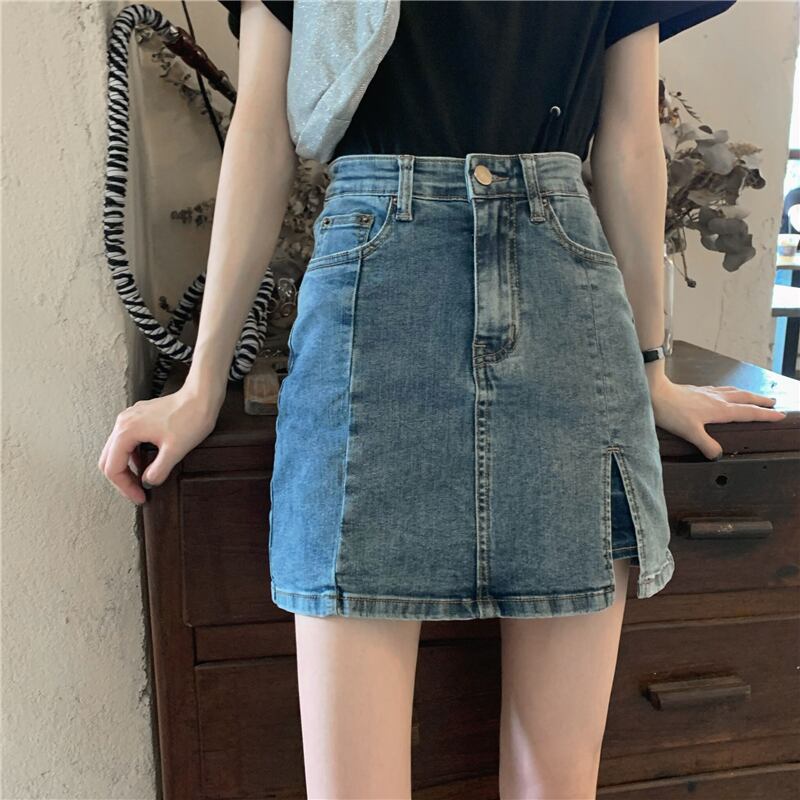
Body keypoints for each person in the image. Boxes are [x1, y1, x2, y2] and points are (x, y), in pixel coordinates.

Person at [100, 2, 786, 798]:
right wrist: (201, 384)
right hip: (371, 304)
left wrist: (650, 369)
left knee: (557, 783)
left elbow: (630, 140)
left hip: (564, 300)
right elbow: (262, 130)